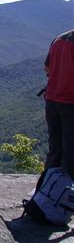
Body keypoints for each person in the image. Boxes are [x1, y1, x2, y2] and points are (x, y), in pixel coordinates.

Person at [43, 29, 74, 180]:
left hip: (52, 101)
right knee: (70, 152)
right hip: (70, 103)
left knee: (54, 150)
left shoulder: (59, 38)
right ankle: (67, 197)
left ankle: (47, 192)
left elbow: (46, 68)